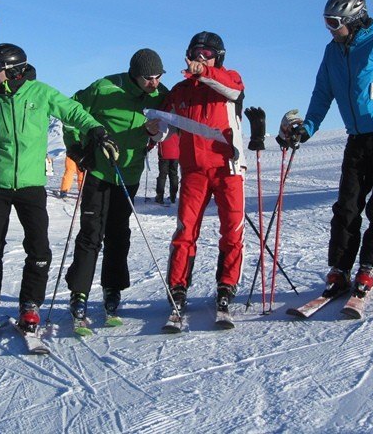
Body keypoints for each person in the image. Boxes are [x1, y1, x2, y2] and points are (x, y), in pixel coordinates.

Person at [0, 43, 118, 335]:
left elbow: (74, 112)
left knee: (39, 249)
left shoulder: (41, 94)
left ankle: (30, 305)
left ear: (12, 70)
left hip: (30, 185)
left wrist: (98, 132)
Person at [279, 0, 373, 301]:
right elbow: (322, 93)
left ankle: (369, 268)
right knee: (347, 207)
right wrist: (308, 128)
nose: (330, 29)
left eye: (334, 23)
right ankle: (340, 270)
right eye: (326, 23)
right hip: (357, 139)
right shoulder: (332, 51)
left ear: (354, 21)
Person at [63, 48, 168, 321]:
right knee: (91, 232)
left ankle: (113, 288)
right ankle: (79, 292)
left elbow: (178, 117)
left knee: (118, 233)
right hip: (98, 171)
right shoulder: (105, 88)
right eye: (148, 78)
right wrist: (76, 148)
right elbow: (71, 112)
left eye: (158, 77)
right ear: (134, 74)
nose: (153, 83)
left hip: (129, 176)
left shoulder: (160, 94)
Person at [152, 31, 246, 319]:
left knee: (232, 231)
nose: (200, 58)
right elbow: (164, 126)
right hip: (193, 171)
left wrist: (205, 71)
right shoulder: (179, 91)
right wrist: (154, 129)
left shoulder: (228, 79)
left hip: (227, 168)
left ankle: (226, 286)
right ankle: (178, 287)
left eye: (207, 53)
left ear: (219, 57)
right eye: (196, 52)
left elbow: (233, 90)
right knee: (185, 230)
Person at [155, 132, 180, 204]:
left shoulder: (162, 125)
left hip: (164, 153)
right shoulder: (177, 125)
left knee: (162, 176)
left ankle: (159, 197)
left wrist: (149, 147)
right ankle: (173, 196)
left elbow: (154, 137)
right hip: (176, 153)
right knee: (174, 175)